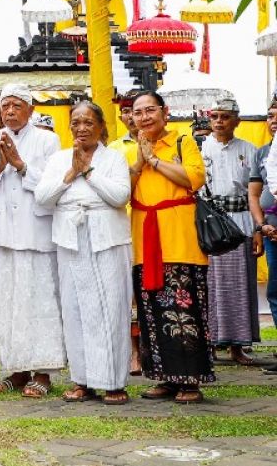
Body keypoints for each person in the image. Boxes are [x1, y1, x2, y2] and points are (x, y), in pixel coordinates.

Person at [35, 101, 132, 405]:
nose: (81, 128)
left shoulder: (113, 158)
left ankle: (114, 382)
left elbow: (119, 196)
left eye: (88, 122)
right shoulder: (59, 159)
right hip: (71, 240)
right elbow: (42, 198)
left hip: (107, 240)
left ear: (101, 127)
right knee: (75, 309)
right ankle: (82, 381)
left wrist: (88, 172)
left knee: (111, 309)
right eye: (76, 122)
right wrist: (69, 174)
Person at [0, 83, 65, 398]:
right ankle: (15, 370)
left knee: (39, 302)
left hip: (36, 234)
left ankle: (43, 372)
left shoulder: (47, 140)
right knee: (7, 303)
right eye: (5, 106)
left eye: (16, 105)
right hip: (3, 235)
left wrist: (20, 164)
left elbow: (54, 187)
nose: (10, 111)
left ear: (30, 109)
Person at [129, 90, 214, 404]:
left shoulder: (182, 141)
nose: (144, 117)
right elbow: (123, 191)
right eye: (138, 113)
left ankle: (190, 381)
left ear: (164, 112)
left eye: (150, 110)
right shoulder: (127, 149)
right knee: (151, 313)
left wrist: (154, 160)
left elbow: (194, 178)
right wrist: (140, 160)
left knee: (186, 313)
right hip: (144, 242)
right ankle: (164, 378)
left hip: (180, 242)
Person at [199, 97, 260, 366]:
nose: (219, 122)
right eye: (215, 116)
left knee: (240, 287)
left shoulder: (250, 150)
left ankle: (237, 346)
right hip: (211, 224)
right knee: (208, 286)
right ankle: (209, 345)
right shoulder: (199, 149)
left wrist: (257, 229)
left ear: (237, 120)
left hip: (241, 222)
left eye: (225, 116)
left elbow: (254, 193)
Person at [107, 88, 144, 376]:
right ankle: (132, 352)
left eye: (138, 110)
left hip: (151, 227)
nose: (132, 116)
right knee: (127, 293)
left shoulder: (163, 144)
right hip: (123, 228)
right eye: (127, 111)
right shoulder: (114, 150)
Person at [250, 99, 277, 373]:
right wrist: (261, 226)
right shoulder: (262, 154)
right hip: (272, 232)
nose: (274, 120)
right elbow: (255, 194)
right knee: (275, 291)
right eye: (270, 115)